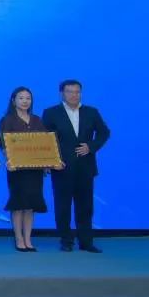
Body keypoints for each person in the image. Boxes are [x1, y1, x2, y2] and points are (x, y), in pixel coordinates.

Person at [42, 80, 110, 253]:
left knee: (86, 206)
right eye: (70, 91)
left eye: (77, 92)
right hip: (61, 166)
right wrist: (51, 160)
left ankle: (86, 242)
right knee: (63, 205)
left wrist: (91, 146)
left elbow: (104, 132)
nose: (74, 95)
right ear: (62, 93)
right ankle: (66, 240)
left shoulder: (91, 112)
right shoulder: (51, 113)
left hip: (85, 167)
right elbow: (45, 139)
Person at [0, 87, 52, 252]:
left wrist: (46, 163)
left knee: (30, 205)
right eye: (21, 98)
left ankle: (28, 238)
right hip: (17, 169)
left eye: (28, 98)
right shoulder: (7, 120)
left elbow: (44, 144)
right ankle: (19, 239)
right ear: (13, 100)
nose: (25, 101)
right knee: (18, 204)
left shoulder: (37, 120)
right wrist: (9, 159)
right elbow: (3, 144)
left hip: (35, 170)